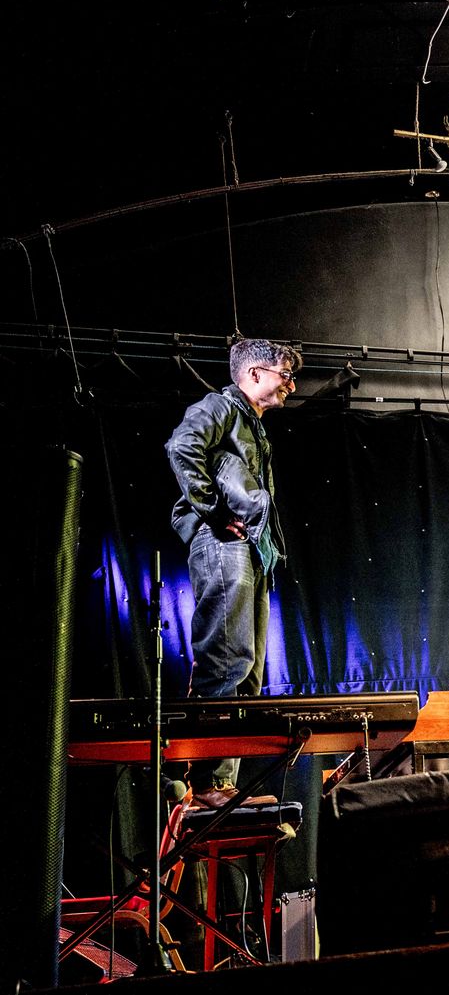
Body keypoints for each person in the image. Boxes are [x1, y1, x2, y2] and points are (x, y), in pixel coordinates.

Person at [166, 338, 301, 808]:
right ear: (254, 374)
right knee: (227, 659)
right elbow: (182, 446)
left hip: (251, 550)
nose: (290, 385)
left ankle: (220, 782)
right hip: (223, 543)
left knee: (249, 673)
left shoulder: (254, 427)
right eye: (285, 375)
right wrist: (212, 510)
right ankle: (205, 780)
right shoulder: (221, 406)